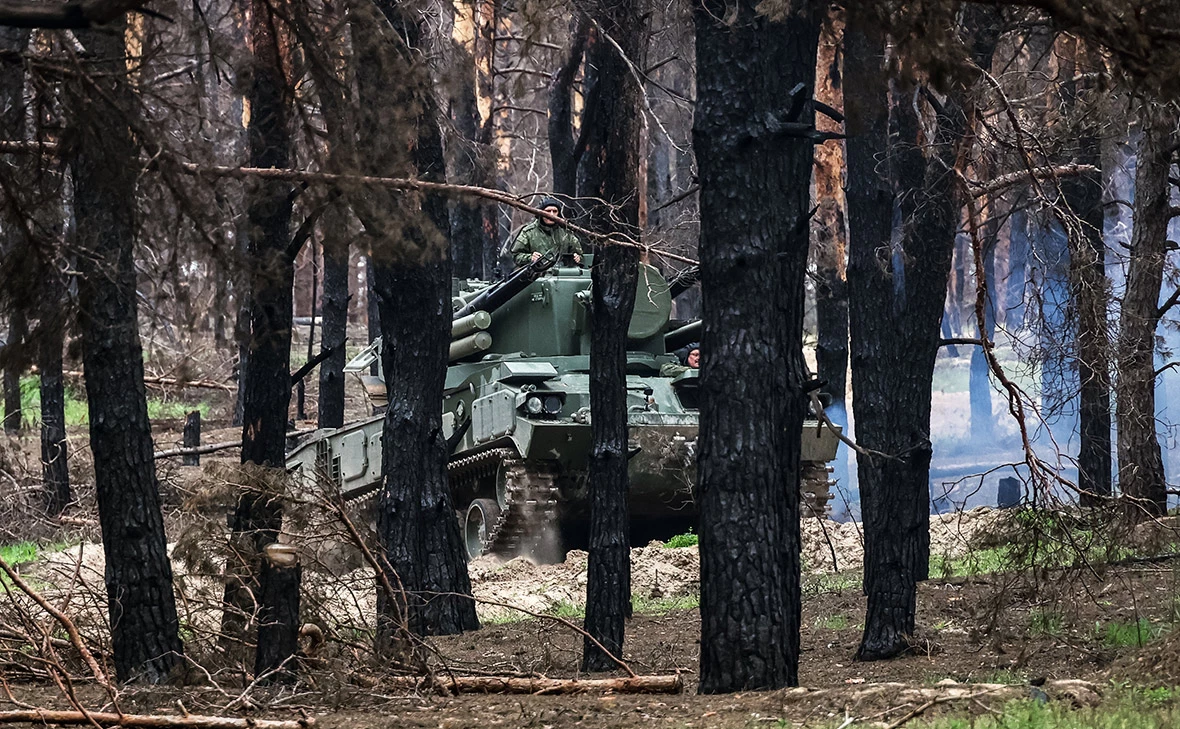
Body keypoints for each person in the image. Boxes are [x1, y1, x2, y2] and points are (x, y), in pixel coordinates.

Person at [510, 196, 583, 267]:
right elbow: (516, 256)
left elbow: (580, 255)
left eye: (555, 211)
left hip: (562, 273)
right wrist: (530, 257)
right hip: (537, 273)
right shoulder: (528, 232)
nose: (551, 214)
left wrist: (577, 257)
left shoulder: (566, 233)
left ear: (559, 213)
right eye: (548, 211)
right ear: (541, 213)